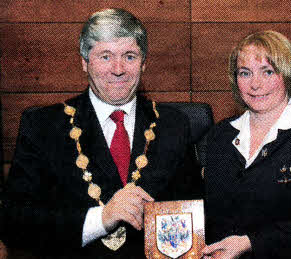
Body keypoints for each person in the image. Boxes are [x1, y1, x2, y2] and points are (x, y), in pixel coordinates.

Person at [1, 8, 201, 258]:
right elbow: (13, 223)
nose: (118, 69)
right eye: (105, 56)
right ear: (84, 62)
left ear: (144, 63)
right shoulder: (43, 126)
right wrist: (101, 219)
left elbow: (193, 218)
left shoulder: (174, 125)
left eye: (129, 56)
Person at [202, 30, 291, 259]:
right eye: (245, 73)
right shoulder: (219, 135)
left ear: (289, 75)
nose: (255, 84)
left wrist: (250, 243)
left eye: (268, 72)